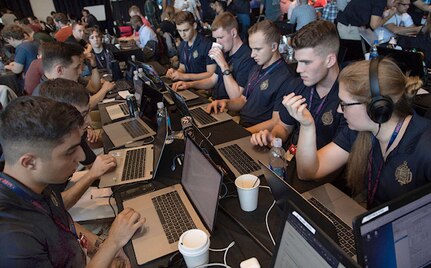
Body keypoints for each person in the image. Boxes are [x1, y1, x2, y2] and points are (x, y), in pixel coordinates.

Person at [0, 96, 145, 266]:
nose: (82, 157)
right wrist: (113, 242)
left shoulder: (36, 181)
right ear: (29, 162)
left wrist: (100, 246)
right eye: (70, 151)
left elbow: (61, 219)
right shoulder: (13, 240)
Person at [282, 57, 431, 208]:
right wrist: (307, 126)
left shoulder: (425, 147)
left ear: (377, 107)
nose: (339, 110)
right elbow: (308, 172)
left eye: (344, 104)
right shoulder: (360, 131)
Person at [251, 20, 345, 159]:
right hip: (291, 159)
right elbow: (283, 127)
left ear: (329, 60)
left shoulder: (349, 97)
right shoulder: (297, 85)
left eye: (306, 62)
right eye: (298, 61)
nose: (299, 69)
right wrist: (273, 137)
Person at [39, 78, 116, 209]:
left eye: (88, 112)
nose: (89, 121)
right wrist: (91, 176)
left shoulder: (75, 131)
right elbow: (55, 208)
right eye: (82, 116)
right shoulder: (41, 150)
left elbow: (92, 164)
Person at [206, 20, 294, 132]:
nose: (252, 55)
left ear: (273, 47)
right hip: (242, 124)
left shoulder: (286, 77)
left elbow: (276, 121)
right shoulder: (256, 67)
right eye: (251, 48)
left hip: (257, 133)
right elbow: (243, 100)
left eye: (257, 49)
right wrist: (225, 103)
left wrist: (244, 133)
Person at [173, 12, 256, 100]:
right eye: (216, 38)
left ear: (233, 33)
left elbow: (236, 97)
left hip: (227, 107)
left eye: (220, 37)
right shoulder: (226, 52)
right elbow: (213, 80)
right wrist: (189, 84)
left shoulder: (247, 58)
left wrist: (224, 66)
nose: (217, 42)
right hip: (214, 100)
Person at [32, 42, 111, 109]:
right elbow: (84, 106)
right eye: (76, 68)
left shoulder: (68, 80)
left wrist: (94, 66)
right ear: (59, 70)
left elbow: (94, 88)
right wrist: (104, 89)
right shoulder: (49, 96)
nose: (80, 71)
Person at [166, 11, 216, 82]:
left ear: (194, 26)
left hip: (203, 89)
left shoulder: (207, 45)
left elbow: (211, 74)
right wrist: (175, 72)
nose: (182, 35)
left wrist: (185, 76)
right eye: (179, 31)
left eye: (185, 30)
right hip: (188, 85)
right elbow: (182, 68)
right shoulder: (182, 45)